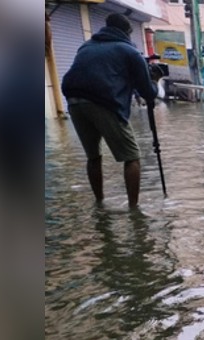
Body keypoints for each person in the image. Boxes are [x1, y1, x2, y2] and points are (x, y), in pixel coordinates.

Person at [61, 13, 158, 208]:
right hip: (103, 102)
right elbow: (148, 92)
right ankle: (134, 209)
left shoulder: (86, 46)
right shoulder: (129, 52)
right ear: (127, 32)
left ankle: (99, 202)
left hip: (73, 101)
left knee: (93, 156)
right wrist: (155, 80)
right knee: (132, 157)